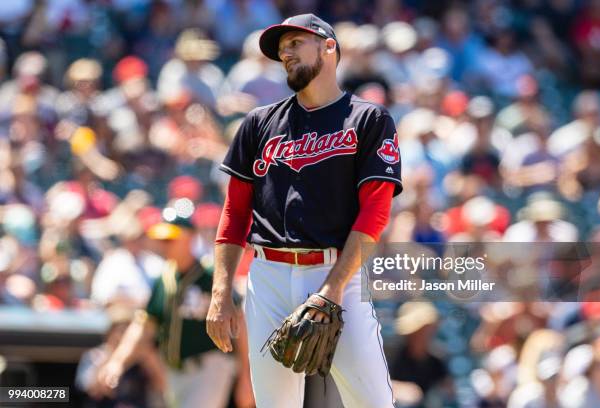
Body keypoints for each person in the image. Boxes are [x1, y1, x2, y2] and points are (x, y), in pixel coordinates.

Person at [206, 13, 403, 408]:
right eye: (282, 50)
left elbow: (375, 214)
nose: (286, 55)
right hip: (268, 276)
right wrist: (221, 291)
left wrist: (333, 288)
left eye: (296, 44)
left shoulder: (368, 119)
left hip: (337, 275)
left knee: (373, 403)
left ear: (329, 47)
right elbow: (234, 215)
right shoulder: (258, 123)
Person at [95, 199, 254, 408]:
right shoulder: (164, 278)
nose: (164, 244)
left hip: (209, 368)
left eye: (172, 238)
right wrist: (118, 361)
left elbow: (240, 325)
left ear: (190, 237)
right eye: (163, 239)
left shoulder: (211, 277)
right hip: (171, 372)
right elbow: (144, 325)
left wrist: (246, 376)